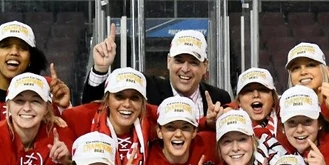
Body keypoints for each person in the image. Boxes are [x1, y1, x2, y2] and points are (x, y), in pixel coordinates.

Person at [83, 26, 232, 110]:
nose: (185, 69)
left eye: (193, 62)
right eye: (179, 61)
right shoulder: (147, 89)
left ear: (205, 66)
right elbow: (92, 109)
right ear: (168, 61)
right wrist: (100, 69)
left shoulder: (220, 98)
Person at [0, 21, 70, 126]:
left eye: (22, 48)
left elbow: (71, 136)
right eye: (6, 46)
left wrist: (64, 108)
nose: (14, 52)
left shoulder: (48, 88)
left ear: (31, 57)